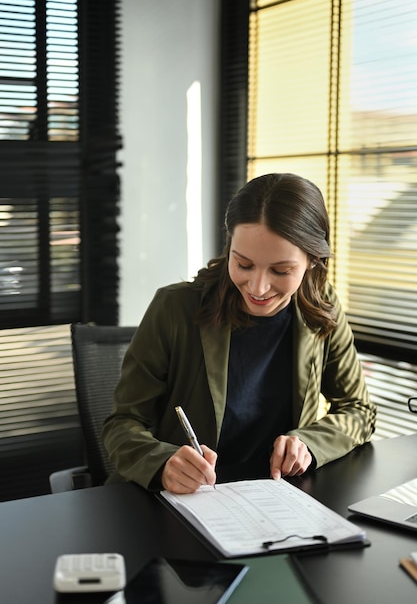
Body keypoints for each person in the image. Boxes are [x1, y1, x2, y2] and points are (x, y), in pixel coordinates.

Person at [102, 173, 376, 494]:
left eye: (281, 270)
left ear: (312, 262)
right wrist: (162, 462)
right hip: (179, 501)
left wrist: (309, 443)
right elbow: (122, 424)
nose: (258, 288)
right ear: (230, 246)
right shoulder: (174, 308)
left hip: (275, 497)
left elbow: (358, 410)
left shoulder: (321, 308)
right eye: (244, 264)